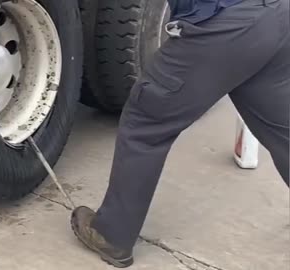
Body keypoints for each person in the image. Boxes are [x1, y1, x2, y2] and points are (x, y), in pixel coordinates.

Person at [70, 0, 290, 268]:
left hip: (225, 24)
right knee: (282, 128)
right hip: (277, 15)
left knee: (145, 123)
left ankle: (112, 234)